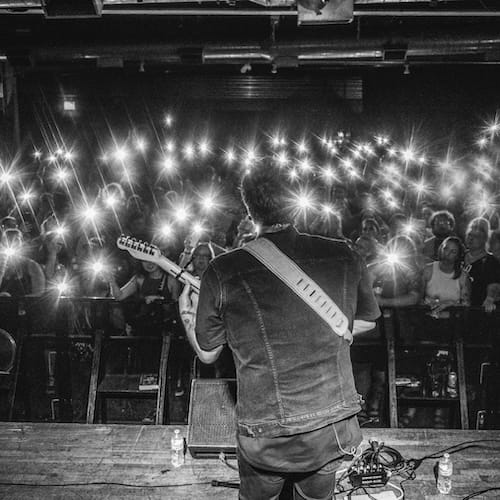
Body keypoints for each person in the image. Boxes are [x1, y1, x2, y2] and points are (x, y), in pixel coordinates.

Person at [180, 162, 380, 500]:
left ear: (249, 210)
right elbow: (368, 320)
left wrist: (186, 313)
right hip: (329, 427)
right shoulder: (344, 256)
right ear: (296, 200)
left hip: (265, 432)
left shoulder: (222, 269)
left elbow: (208, 352)